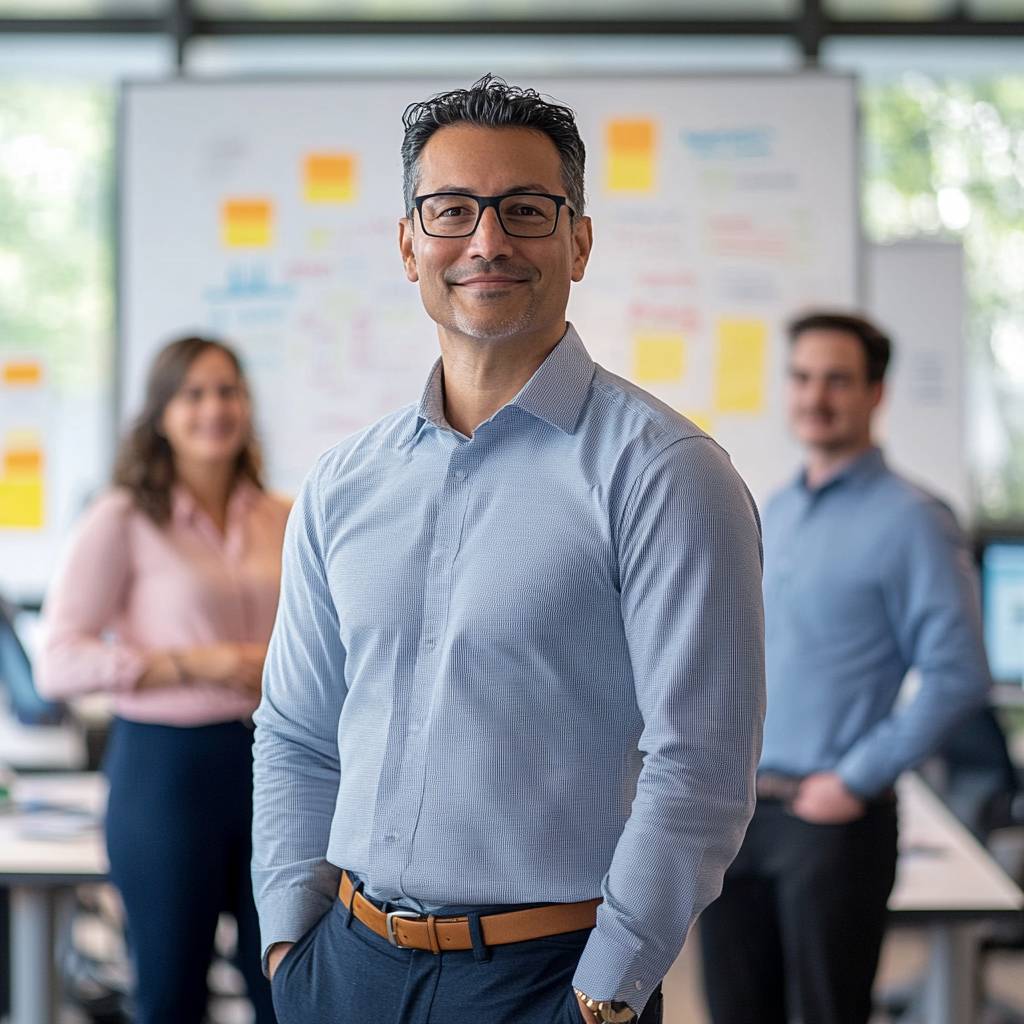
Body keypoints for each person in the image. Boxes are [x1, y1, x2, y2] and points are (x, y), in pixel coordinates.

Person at [252, 75, 765, 1024]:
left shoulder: (666, 473)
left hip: (546, 983)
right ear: (410, 245)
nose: (487, 241)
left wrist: (603, 996)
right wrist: (290, 943)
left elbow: (700, 764)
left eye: (525, 210)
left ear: (579, 239)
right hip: (345, 971)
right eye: (452, 211)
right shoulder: (341, 483)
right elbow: (295, 730)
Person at [700, 311, 991, 1024]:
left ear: (876, 393)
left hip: (830, 823)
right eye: (802, 378)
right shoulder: (779, 506)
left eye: (837, 380)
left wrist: (856, 779)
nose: (815, 397)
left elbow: (958, 673)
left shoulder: (914, 518)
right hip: (742, 817)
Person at [38, 336, 287, 1024]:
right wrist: (187, 663)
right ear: (162, 415)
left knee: (283, 985)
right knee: (171, 991)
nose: (215, 409)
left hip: (275, 767)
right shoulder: (122, 518)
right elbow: (58, 661)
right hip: (167, 773)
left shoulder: (283, 516)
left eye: (228, 391)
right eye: (194, 394)